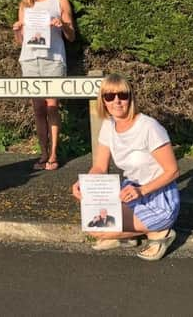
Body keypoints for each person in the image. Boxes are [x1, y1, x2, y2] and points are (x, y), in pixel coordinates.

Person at [72, 73, 180, 261]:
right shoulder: (108, 125)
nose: (117, 101)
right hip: (129, 191)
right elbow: (99, 166)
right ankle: (133, 234)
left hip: (157, 196)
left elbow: (173, 171)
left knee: (103, 231)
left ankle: (161, 232)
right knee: (94, 226)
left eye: (122, 95)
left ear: (131, 98)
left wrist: (142, 191)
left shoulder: (149, 127)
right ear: (103, 101)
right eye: (109, 96)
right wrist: (86, 185)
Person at [12, 0, 75, 171]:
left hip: (53, 59)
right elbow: (21, 42)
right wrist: (17, 30)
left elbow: (72, 36)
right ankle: (43, 152)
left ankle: (54, 153)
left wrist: (62, 25)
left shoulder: (60, 2)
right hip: (30, 60)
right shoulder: (25, 6)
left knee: (52, 106)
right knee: (38, 109)